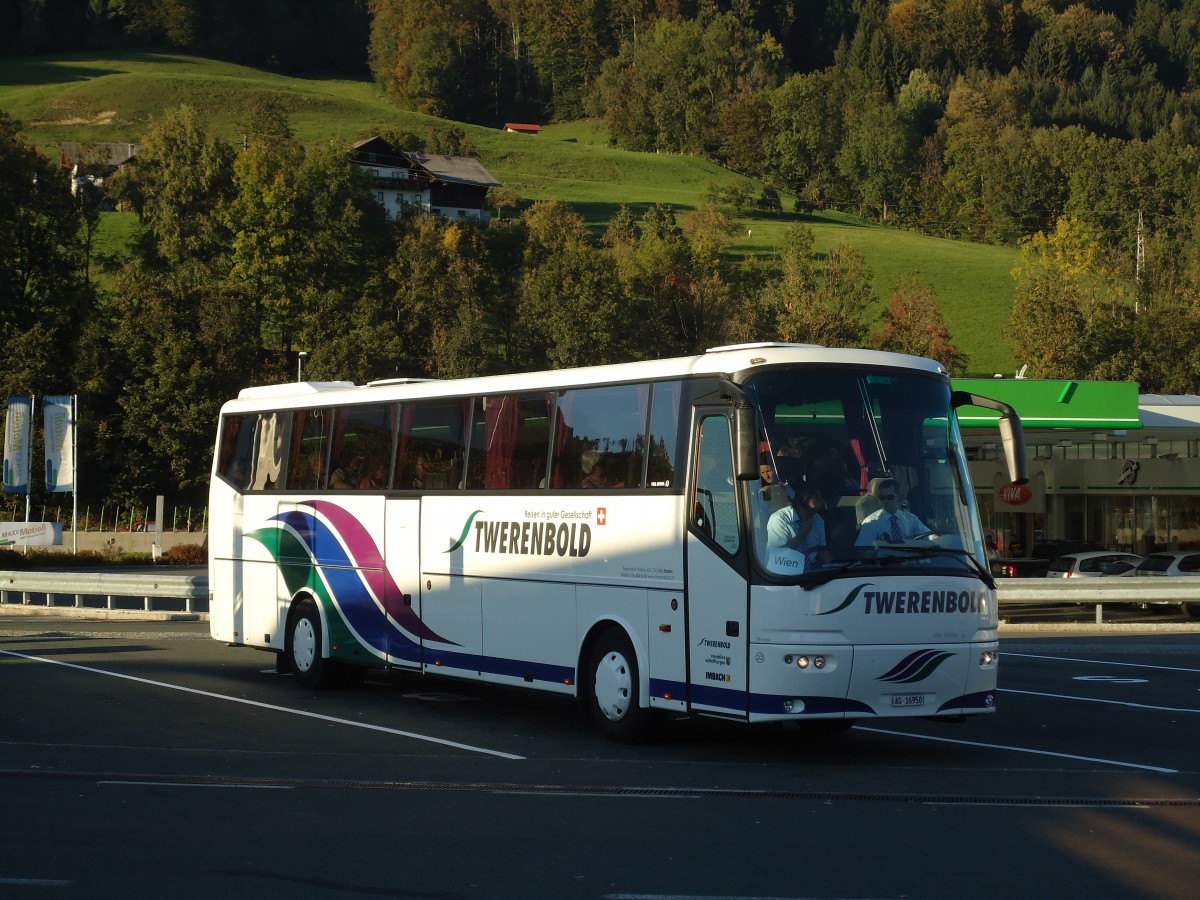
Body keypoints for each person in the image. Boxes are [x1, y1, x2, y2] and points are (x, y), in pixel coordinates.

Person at [764, 485, 826, 574]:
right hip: (783, 572)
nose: (813, 513)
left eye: (816, 509)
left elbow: (822, 549)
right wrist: (803, 532)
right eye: (810, 510)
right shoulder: (779, 519)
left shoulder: (816, 518)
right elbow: (778, 554)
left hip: (810, 572)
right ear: (797, 506)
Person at [855, 478, 930, 545]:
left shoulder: (911, 519)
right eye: (882, 498)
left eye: (889, 497)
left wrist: (938, 541)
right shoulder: (871, 522)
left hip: (908, 559)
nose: (885, 501)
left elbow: (929, 536)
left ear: (898, 496)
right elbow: (863, 550)